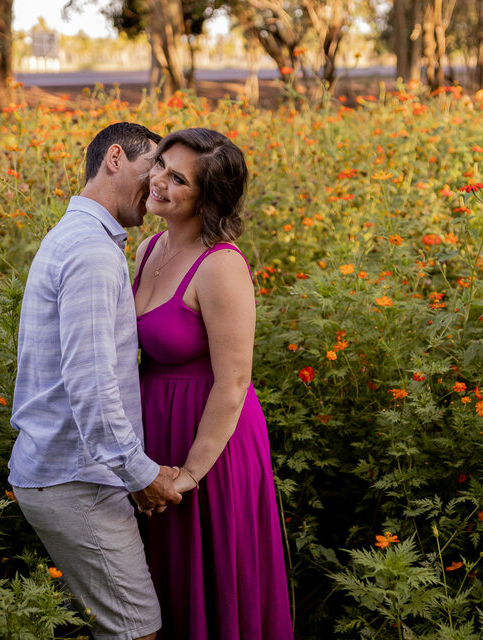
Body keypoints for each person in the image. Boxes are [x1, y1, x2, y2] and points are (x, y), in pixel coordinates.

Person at [9, 122, 181, 640]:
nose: (157, 185)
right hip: (76, 479)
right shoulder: (91, 252)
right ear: (113, 158)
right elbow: (91, 384)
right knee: (137, 630)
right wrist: (141, 475)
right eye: (153, 166)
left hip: (68, 472)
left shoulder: (84, 240)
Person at [132, 128, 294, 639]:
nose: (158, 179)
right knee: (163, 590)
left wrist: (188, 476)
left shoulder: (221, 266)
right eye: (161, 164)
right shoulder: (147, 248)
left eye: (178, 178)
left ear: (208, 198)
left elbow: (234, 382)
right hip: (157, 434)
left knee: (215, 583)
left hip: (210, 447)